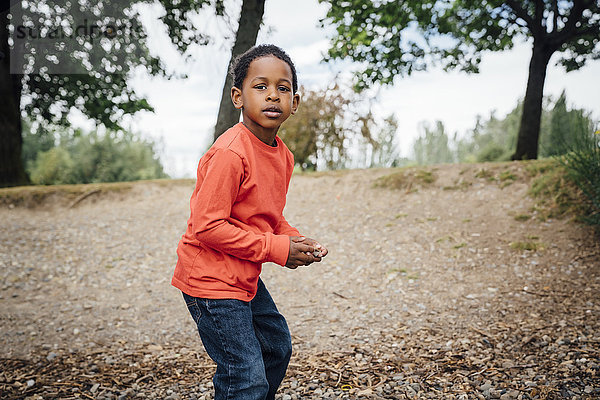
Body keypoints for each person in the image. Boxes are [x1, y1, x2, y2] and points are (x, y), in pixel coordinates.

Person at [172, 44, 328, 400]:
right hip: (209, 281)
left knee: (276, 348)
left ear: (295, 102)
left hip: (241, 273)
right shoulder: (229, 154)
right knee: (245, 375)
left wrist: (295, 240)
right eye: (260, 87)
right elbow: (207, 227)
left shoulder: (282, 156)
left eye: (283, 88)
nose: (273, 95)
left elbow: (267, 216)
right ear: (238, 97)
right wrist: (277, 249)